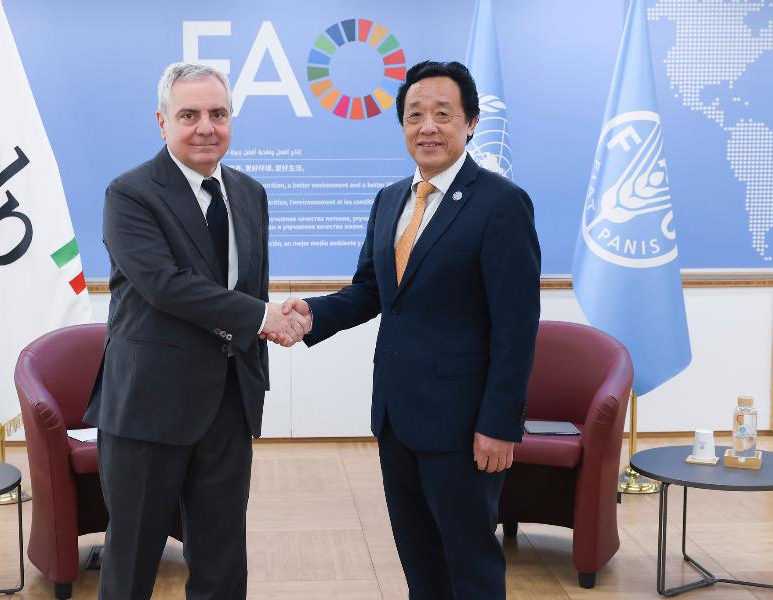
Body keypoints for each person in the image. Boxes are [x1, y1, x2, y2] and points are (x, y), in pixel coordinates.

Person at [277, 60, 541, 599]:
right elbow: (372, 291)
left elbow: (516, 329)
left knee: (469, 565)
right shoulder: (391, 198)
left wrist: (500, 424)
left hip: (464, 426)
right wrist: (313, 315)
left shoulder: (501, 204)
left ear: (471, 123)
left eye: (443, 114)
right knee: (420, 562)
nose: (428, 127)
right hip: (397, 418)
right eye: (415, 115)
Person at [83, 62, 308, 600]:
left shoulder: (250, 193)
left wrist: (274, 323)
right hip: (149, 406)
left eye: (218, 114)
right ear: (162, 121)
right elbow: (166, 286)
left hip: (229, 404)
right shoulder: (130, 193)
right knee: (132, 562)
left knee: (222, 562)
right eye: (189, 115)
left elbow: (249, 287)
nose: (206, 127)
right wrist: (262, 317)